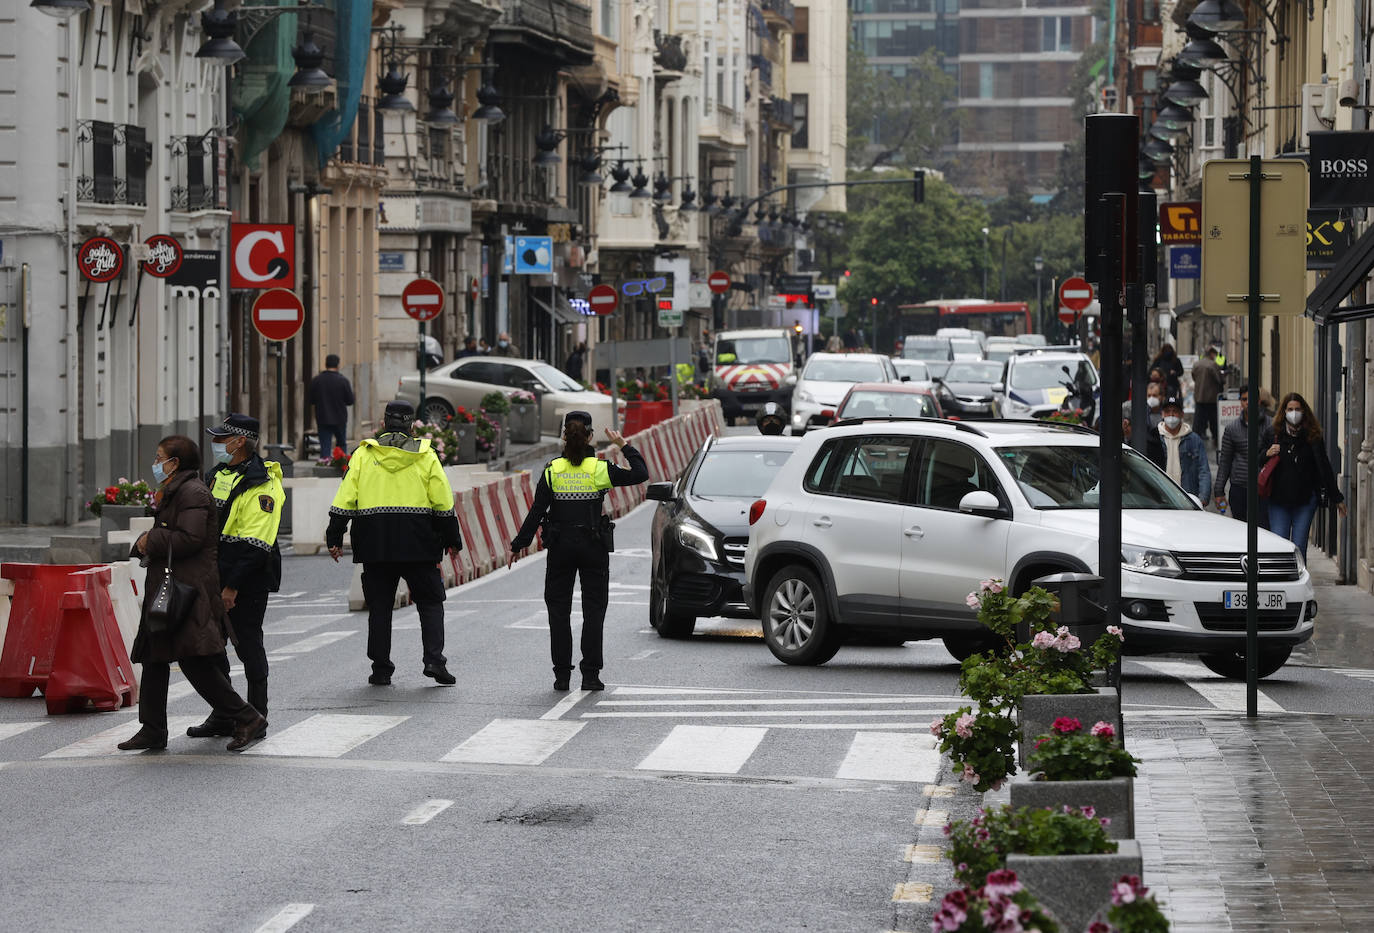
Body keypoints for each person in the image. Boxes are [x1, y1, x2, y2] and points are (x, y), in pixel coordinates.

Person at [118, 436, 267, 752]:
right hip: (171, 588)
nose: (156, 463)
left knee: (193, 661)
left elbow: (191, 537)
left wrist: (151, 540)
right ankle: (153, 728)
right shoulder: (176, 490)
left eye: (160, 458)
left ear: (175, 462)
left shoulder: (194, 492)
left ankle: (247, 716)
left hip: (188, 591)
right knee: (155, 657)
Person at [508, 412, 649, 691]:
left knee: (558, 612)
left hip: (560, 549)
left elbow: (537, 512)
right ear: (589, 436)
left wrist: (518, 544)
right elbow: (641, 474)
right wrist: (623, 444)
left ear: (564, 436)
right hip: (592, 547)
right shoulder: (599, 470)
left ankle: (562, 675)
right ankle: (590, 675)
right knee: (593, 611)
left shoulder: (552, 470)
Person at [326, 401, 463, 686]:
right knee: (430, 602)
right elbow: (443, 503)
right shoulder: (427, 456)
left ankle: (380, 668)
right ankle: (434, 661)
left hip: (375, 545)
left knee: (380, 607)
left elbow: (344, 499)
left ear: (383, 423)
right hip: (419, 544)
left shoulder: (363, 455)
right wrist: (453, 539)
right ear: (412, 425)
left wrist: (334, 537)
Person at [185, 414, 286, 739]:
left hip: (246, 579)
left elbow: (256, 545)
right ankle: (225, 715)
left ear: (239, 441)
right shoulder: (217, 475)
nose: (215, 444)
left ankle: (256, 716)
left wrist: (232, 587)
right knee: (213, 648)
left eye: (221, 438)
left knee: (248, 646)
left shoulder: (263, 483)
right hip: (212, 576)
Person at [1261, 392, 1346, 559]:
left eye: (1297, 409)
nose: (1294, 413)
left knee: (1299, 547)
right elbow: (1257, 459)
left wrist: (1337, 498)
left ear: (1304, 411)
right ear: (1284, 411)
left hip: (1305, 500)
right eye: (1290, 409)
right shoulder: (1273, 433)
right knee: (1279, 545)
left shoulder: (1312, 435)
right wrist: (1267, 453)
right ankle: (1282, 582)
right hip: (1279, 500)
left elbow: (1323, 465)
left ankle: (1299, 581)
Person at [1215, 385, 1272, 526]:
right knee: (1240, 529)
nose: (1248, 402)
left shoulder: (1271, 425)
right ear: (1240, 402)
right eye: (1244, 399)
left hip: (1264, 488)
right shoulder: (1232, 428)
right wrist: (1219, 490)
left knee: (1264, 530)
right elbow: (1225, 461)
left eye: (1251, 399)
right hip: (1240, 488)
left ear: (1259, 401)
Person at [1157, 396, 1211, 500]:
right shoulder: (1155, 438)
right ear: (1162, 414)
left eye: (1175, 411)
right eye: (1168, 411)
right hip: (1161, 498)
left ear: (1182, 414)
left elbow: (1203, 470)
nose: (1171, 415)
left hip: (1187, 498)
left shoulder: (1194, 440)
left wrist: (1203, 498)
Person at [308, 354, 354, 463]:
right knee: (341, 443)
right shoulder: (343, 381)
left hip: (322, 417)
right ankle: (341, 463)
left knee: (325, 444)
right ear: (338, 365)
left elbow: (311, 400)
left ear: (325, 364)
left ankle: (325, 462)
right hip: (340, 418)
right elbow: (350, 401)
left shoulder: (317, 380)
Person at [1191, 347, 1225, 444]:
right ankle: (1216, 439)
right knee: (1213, 420)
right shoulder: (1213, 365)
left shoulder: (1197, 364)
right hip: (1211, 397)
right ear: (1211, 354)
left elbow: (1194, 376)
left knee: (1198, 419)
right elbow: (1219, 379)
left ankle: (1195, 438)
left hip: (1199, 396)